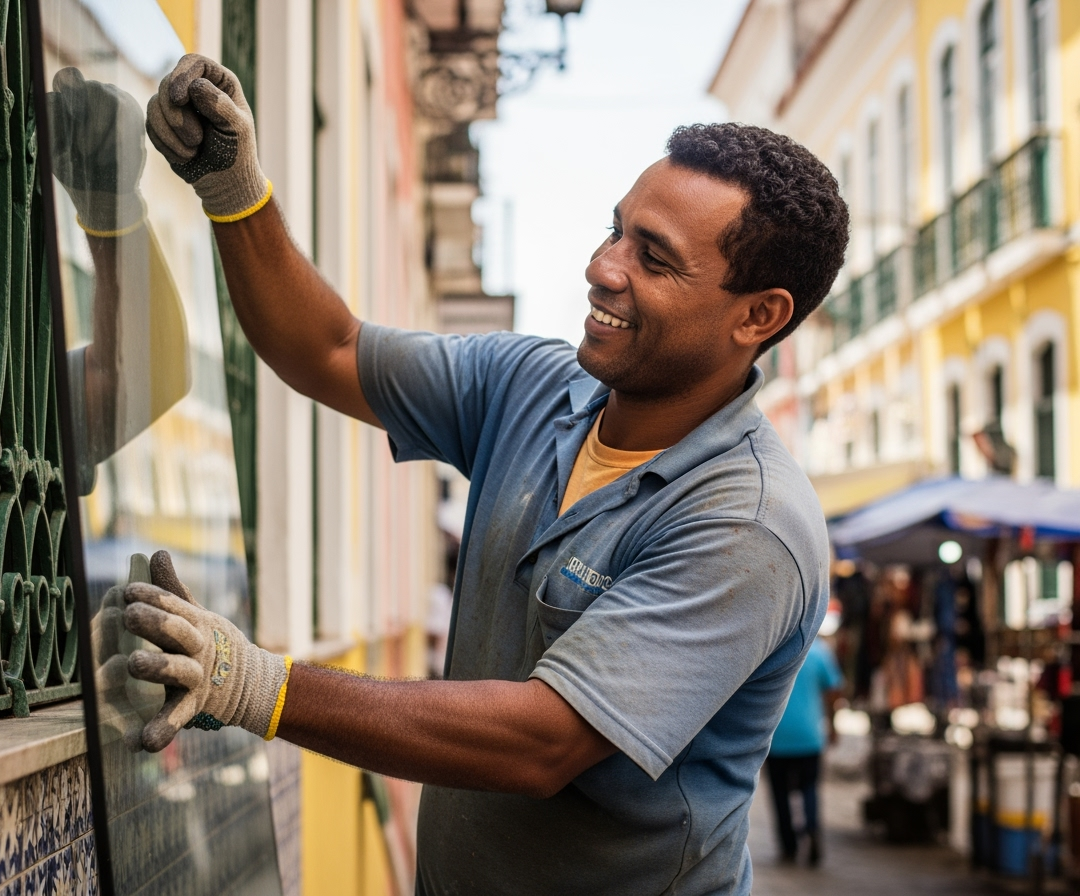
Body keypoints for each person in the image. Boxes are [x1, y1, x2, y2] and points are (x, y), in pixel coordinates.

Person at [117, 54, 849, 894]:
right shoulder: (535, 389)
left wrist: (253, 684)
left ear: (759, 316)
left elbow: (542, 739)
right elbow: (330, 349)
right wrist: (233, 188)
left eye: (655, 258)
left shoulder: (748, 523)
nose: (604, 267)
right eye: (616, 230)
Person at [765, 619, 844, 866]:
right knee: (809, 787)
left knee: (779, 793)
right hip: (809, 736)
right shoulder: (820, 651)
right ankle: (811, 828)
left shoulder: (773, 649)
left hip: (776, 736)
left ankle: (788, 845)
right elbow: (834, 691)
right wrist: (832, 725)